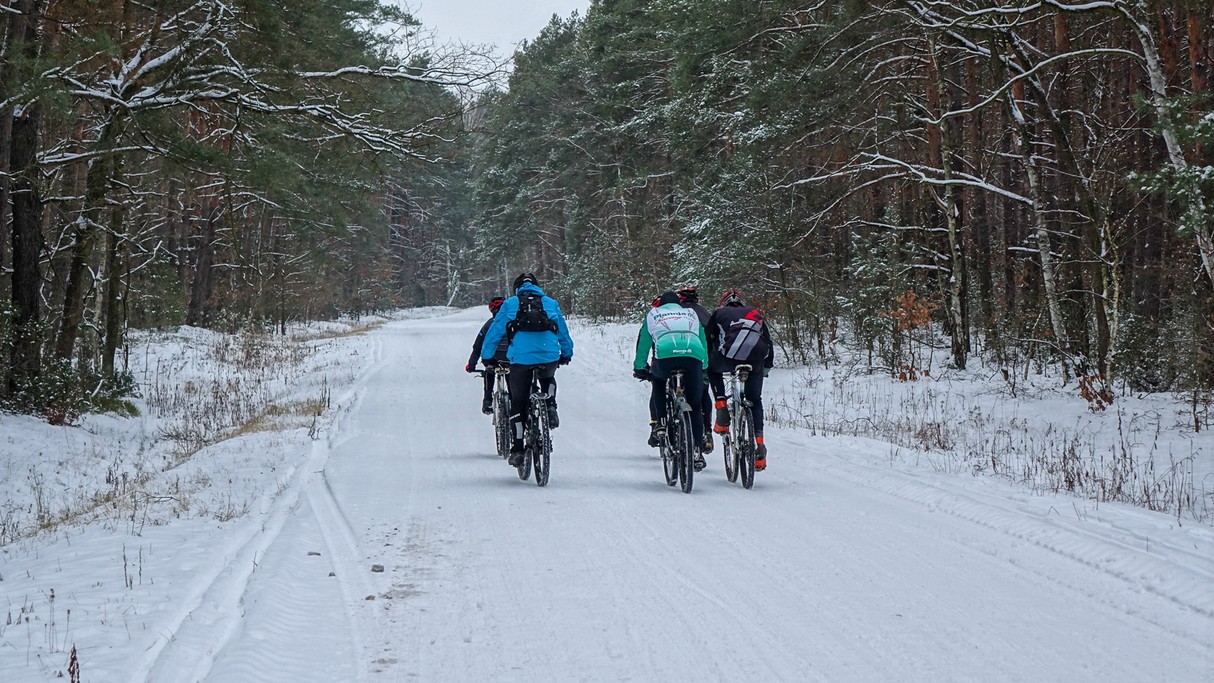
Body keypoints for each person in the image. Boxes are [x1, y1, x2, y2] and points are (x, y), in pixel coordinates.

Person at [481, 273, 574, 467]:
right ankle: (550, 405)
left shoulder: (510, 304)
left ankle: (517, 448)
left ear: (516, 288)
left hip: (521, 360)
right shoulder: (550, 303)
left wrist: (487, 356)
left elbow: (495, 331)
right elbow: (562, 331)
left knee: (519, 401)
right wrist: (566, 353)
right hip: (549, 355)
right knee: (548, 376)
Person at [633, 291, 709, 472]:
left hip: (666, 355)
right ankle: (697, 450)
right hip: (693, 355)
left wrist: (639, 367)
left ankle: (660, 423)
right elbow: (702, 339)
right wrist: (704, 365)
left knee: (658, 381)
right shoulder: (690, 313)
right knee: (695, 404)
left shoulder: (653, 314)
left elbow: (644, 342)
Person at [706, 290, 775, 471]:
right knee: (755, 400)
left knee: (713, 371)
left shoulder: (719, 314)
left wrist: (705, 364)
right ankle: (759, 444)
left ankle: (721, 406)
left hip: (728, 358)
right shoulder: (755, 313)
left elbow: (708, 339)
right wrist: (766, 366)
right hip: (755, 359)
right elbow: (768, 341)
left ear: (724, 303)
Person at [677, 285, 714, 453]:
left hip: (677, 356)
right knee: (702, 394)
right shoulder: (704, 313)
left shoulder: (678, 313)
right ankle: (706, 431)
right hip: (701, 357)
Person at [465, 296, 508, 414]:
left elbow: (477, 346)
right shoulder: (514, 322)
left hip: (494, 358)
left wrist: (471, 364)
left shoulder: (489, 325)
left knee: (489, 370)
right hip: (511, 358)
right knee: (512, 372)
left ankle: (488, 399)